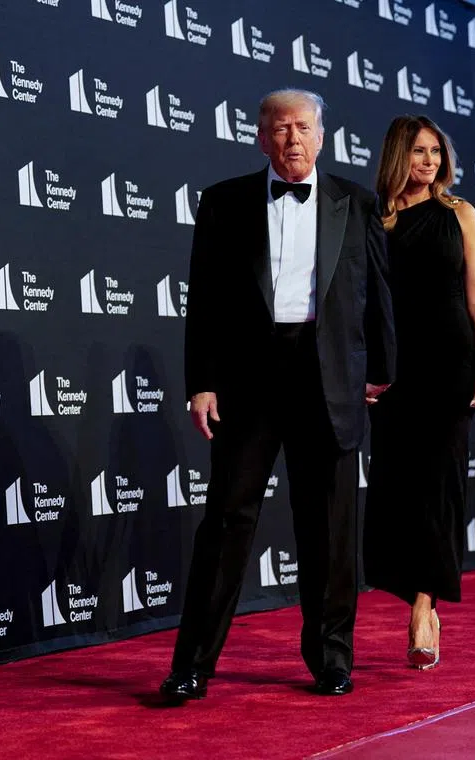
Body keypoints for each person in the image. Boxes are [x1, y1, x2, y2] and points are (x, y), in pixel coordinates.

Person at [159, 89, 396, 702]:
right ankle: (192, 666)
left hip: (330, 378)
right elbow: (204, 301)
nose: (293, 138)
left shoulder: (357, 201)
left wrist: (382, 369)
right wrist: (202, 382)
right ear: (261, 138)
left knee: (330, 526)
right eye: (280, 128)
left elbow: (377, 294)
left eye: (303, 127)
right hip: (249, 379)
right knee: (228, 521)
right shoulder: (224, 203)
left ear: (322, 136)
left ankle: (332, 660)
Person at [363, 115, 475, 670]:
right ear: (398, 155)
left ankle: (424, 607)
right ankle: (412, 589)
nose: (430, 163)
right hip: (396, 369)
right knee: (398, 487)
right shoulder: (374, 218)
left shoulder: (459, 213)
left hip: (450, 363)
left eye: (436, 154)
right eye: (419, 153)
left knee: (441, 483)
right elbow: (360, 302)